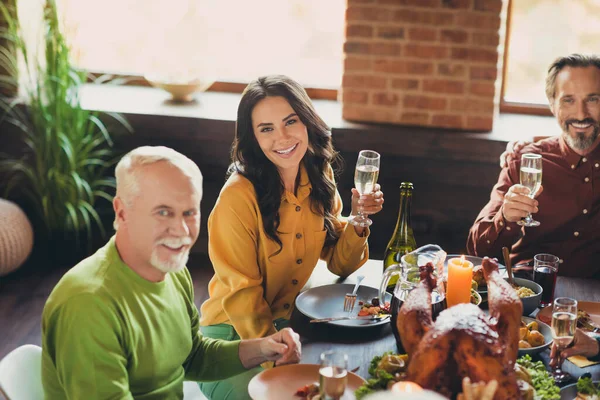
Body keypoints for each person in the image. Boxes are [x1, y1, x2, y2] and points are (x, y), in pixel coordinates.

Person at [41, 146, 301, 399]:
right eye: (163, 212)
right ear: (121, 213)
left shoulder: (173, 272)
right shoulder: (88, 304)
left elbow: (193, 356)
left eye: (189, 213)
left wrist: (264, 348)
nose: (181, 231)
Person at [198, 75, 385, 399]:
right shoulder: (237, 198)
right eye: (266, 128)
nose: (282, 137)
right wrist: (277, 359)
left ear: (306, 122)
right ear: (252, 138)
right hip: (233, 339)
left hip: (290, 326)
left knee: (355, 380)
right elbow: (243, 295)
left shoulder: (317, 174)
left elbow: (340, 263)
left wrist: (356, 220)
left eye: (290, 122)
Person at [467, 54, 600, 278]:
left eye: (593, 99)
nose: (581, 114)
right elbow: (477, 250)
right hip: (527, 292)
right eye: (568, 100)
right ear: (552, 104)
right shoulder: (525, 159)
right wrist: (505, 217)